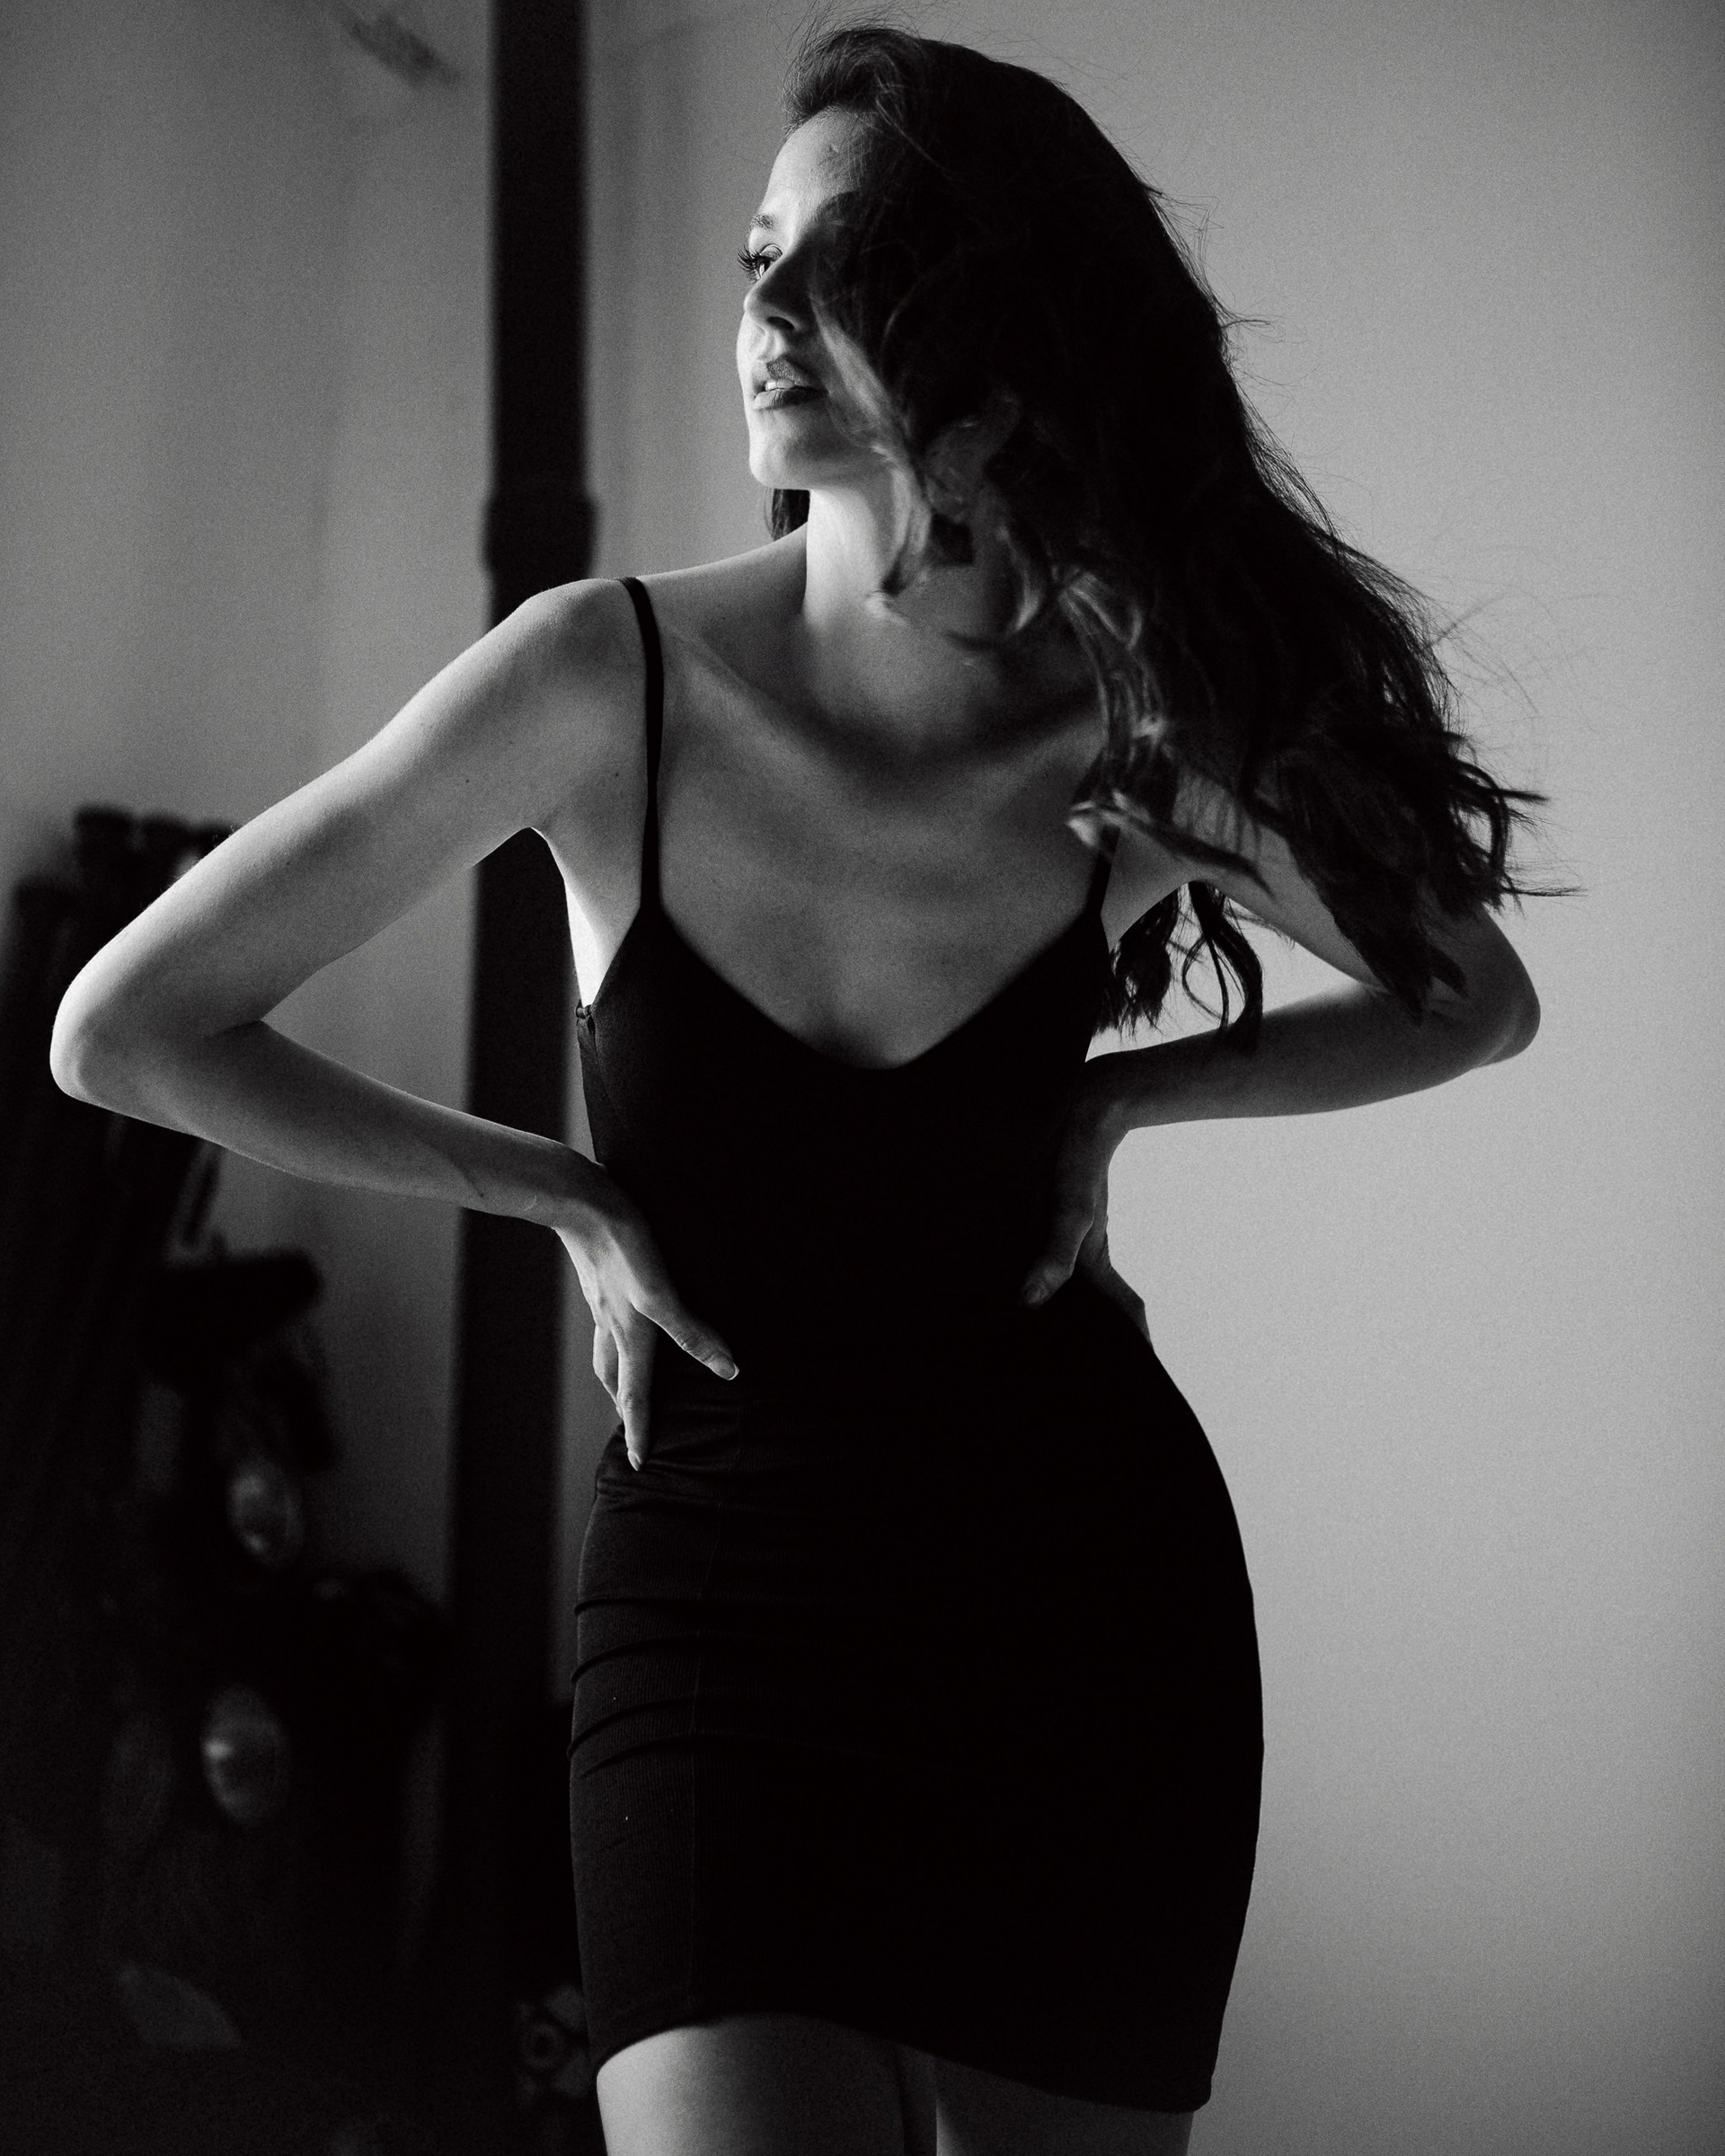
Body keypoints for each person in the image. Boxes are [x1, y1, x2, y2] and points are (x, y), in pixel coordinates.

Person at [51, 24, 1541, 2156]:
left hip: (1077, 1602)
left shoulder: (1127, 736)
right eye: (758, 257)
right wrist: (563, 1192)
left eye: (840, 268)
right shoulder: (603, 677)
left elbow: (1467, 998)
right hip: (719, 1598)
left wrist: (1126, 1102)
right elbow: (126, 1026)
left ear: (995, 340)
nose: (766, 312)